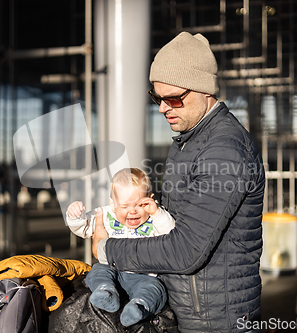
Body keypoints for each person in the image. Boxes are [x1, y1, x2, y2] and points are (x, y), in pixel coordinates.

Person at [92, 32, 265, 333]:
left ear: (204, 90)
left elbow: (185, 250)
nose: (162, 108)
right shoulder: (190, 141)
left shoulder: (224, 150)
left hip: (215, 322)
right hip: (192, 313)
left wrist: (106, 249)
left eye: (172, 98)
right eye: (156, 97)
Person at [66, 168, 175, 327]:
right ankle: (106, 291)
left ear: (150, 199)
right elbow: (84, 227)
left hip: (145, 277)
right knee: (97, 271)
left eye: (139, 204)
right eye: (124, 206)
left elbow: (171, 233)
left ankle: (138, 307)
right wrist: (75, 216)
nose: (132, 211)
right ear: (113, 203)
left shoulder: (155, 217)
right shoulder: (105, 214)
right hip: (113, 271)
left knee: (157, 289)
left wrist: (157, 212)